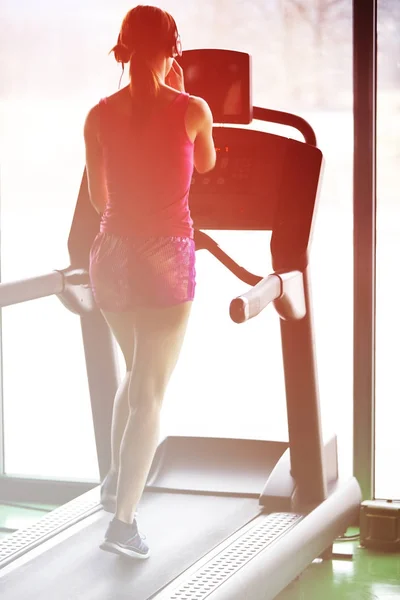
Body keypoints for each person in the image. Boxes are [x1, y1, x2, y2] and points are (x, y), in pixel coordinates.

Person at [83, 5, 216, 559]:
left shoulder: (98, 114)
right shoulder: (193, 110)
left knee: (135, 373)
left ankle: (117, 484)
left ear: (123, 49)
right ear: (173, 50)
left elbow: (98, 199)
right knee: (151, 394)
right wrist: (181, 96)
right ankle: (124, 525)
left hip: (110, 257)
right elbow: (206, 166)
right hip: (166, 258)